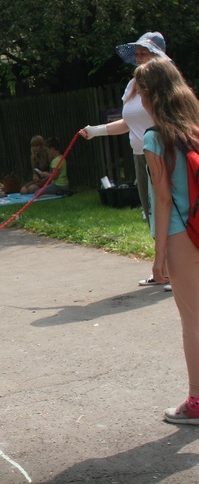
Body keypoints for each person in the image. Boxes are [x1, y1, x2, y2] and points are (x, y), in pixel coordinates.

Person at [134, 57, 199, 424]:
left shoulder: (155, 138)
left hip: (181, 235)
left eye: (141, 92)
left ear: (151, 96)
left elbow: (162, 198)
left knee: (193, 321)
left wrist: (158, 256)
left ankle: (197, 401)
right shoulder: (196, 128)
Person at [78, 32, 171, 288]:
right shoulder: (133, 85)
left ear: (158, 56)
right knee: (152, 214)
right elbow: (129, 122)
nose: (140, 58)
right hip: (140, 155)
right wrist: (96, 131)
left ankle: (178, 269)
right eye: (138, 53)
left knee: (169, 211)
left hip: (164, 154)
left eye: (145, 53)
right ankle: (161, 268)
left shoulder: (164, 82)